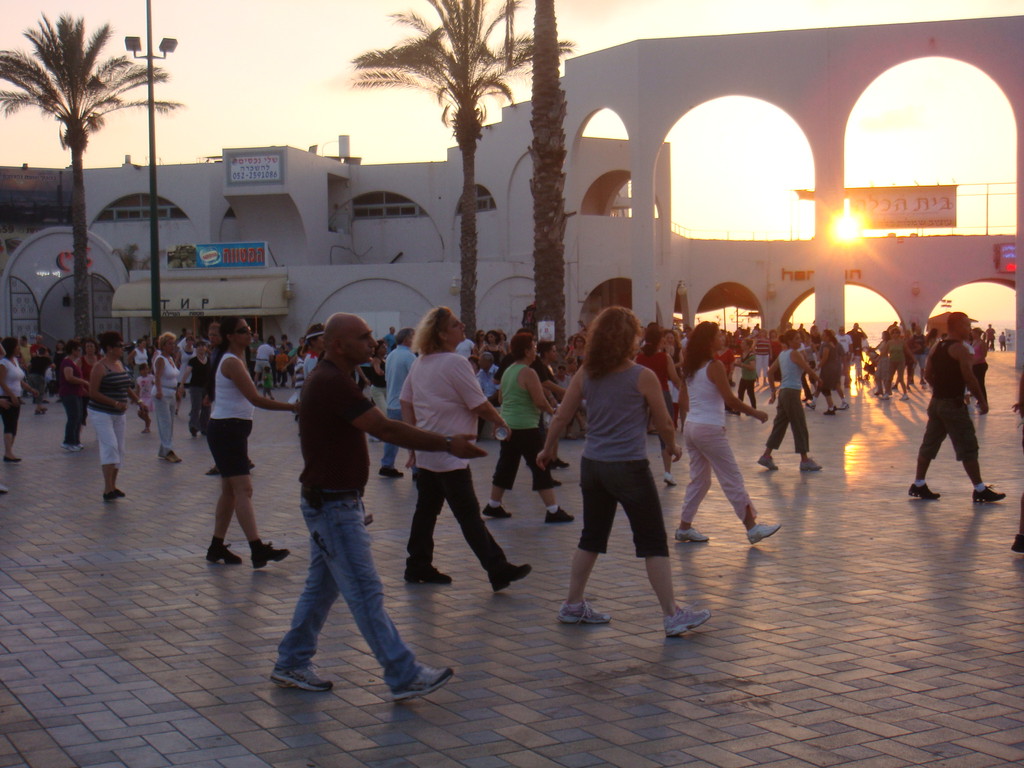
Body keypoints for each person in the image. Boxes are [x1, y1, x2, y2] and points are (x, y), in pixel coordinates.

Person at [271, 313, 480, 698]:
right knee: (365, 591)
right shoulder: (332, 382)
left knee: (321, 588)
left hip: (335, 502)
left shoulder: (337, 379)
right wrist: (448, 443)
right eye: (364, 337)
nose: (373, 343)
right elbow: (384, 428)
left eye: (372, 337)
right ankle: (402, 673)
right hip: (331, 505)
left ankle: (292, 661)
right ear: (338, 345)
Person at [536, 306, 710, 636]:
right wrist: (672, 447)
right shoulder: (640, 375)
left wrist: (547, 448)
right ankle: (672, 614)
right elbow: (664, 422)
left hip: (594, 466)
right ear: (629, 338)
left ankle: (572, 604)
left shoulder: (587, 372)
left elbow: (561, 415)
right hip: (629, 467)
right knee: (653, 541)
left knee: (592, 537)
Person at [400, 306, 531, 590]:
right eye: (456, 325)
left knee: (426, 511)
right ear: (442, 333)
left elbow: (405, 402)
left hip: (428, 451)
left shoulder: (420, 362)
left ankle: (417, 564)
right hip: (451, 452)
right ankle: (497, 568)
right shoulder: (455, 363)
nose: (462, 328)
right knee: (467, 514)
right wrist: (501, 422)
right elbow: (479, 403)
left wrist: (413, 440)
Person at [205, 317, 298, 567]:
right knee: (243, 489)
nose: (249, 334)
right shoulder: (232, 362)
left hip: (229, 429)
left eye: (249, 330)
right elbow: (256, 399)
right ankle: (257, 548)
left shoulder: (236, 359)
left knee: (229, 491)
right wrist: (293, 407)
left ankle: (216, 547)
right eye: (243, 331)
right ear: (230, 337)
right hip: (227, 430)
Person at [674, 322, 778, 545]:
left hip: (693, 427)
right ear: (710, 340)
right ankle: (752, 528)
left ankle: (684, 527)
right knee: (731, 477)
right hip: (709, 429)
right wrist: (755, 412)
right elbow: (729, 399)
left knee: (700, 481)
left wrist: (695, 416)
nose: (723, 337)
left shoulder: (691, 366)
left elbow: (683, 399)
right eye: (719, 334)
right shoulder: (714, 366)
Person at [908, 311, 1005, 504]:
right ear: (957, 326)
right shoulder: (961, 349)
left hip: (936, 403)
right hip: (953, 404)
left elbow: (928, 374)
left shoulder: (937, 346)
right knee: (967, 445)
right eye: (966, 325)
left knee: (929, 443)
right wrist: (982, 401)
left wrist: (940, 389)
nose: (969, 329)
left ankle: (918, 483)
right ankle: (979, 489)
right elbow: (969, 377)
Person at [484, 331, 572, 523]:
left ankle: (493, 504)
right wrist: (552, 412)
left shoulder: (509, 371)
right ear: (526, 350)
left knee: (506, 466)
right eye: (532, 347)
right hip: (526, 427)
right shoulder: (528, 372)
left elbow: (501, 398)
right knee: (540, 465)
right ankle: (553, 509)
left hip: (508, 426)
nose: (535, 351)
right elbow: (539, 401)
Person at [87, 331, 148, 501]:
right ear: (109, 348)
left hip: (119, 413)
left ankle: (113, 485)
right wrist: (113, 403)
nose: (122, 349)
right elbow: (93, 393)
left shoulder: (119, 364)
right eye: (119, 346)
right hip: (101, 412)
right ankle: (107, 489)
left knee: (120, 448)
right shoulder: (100, 367)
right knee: (110, 446)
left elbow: (126, 386)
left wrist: (139, 400)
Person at [758, 329, 822, 472]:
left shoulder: (782, 354)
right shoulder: (794, 353)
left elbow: (770, 372)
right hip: (792, 393)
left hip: (783, 393)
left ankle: (766, 456)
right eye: (797, 338)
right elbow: (807, 368)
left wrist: (774, 392)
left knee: (780, 425)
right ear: (790, 341)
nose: (800, 341)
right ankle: (804, 460)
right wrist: (818, 380)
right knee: (799, 425)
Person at [635, 324, 683, 485]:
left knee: (638, 431)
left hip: (641, 396)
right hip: (661, 394)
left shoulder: (639, 357)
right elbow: (675, 379)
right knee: (665, 432)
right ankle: (668, 473)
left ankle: (637, 470)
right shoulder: (665, 357)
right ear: (658, 340)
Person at [380, 327, 415, 477]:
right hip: (406, 404)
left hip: (392, 401)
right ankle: (417, 470)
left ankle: (387, 465)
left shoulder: (391, 355)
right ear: (407, 339)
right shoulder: (409, 357)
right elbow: (416, 380)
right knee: (413, 437)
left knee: (392, 437)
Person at [1, 336, 40, 463]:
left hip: (17, 395)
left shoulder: (15, 361)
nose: (19, 348)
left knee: (14, 425)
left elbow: (20, 380)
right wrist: (11, 395)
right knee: (9, 423)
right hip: (6, 396)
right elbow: (1, 381)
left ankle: (9, 451)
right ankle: (8, 452)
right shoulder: (3, 363)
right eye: (17, 346)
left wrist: (30, 389)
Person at [152, 332, 183, 462]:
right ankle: (168, 450)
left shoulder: (170, 359)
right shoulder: (161, 359)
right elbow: (157, 376)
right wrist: (159, 391)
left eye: (173, 343)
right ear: (163, 345)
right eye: (169, 344)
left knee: (170, 423)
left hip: (171, 392)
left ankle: (164, 449)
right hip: (162, 393)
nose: (172, 346)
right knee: (165, 422)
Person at [58, 339, 89, 451]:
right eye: (78, 350)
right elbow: (69, 378)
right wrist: (84, 382)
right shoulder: (67, 363)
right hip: (69, 393)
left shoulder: (73, 363)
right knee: (73, 416)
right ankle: (68, 441)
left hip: (77, 393)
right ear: (73, 350)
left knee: (79, 416)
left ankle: (76, 440)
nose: (80, 352)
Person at [185, 339, 212, 437]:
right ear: (196, 349)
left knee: (207, 408)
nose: (201, 348)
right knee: (196, 407)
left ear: (206, 348)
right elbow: (187, 372)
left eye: (203, 346)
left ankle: (204, 427)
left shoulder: (209, 360)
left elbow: (212, 373)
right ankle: (193, 426)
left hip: (207, 387)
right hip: (195, 387)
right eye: (199, 346)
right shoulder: (193, 361)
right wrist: (181, 384)